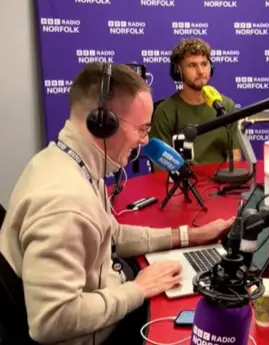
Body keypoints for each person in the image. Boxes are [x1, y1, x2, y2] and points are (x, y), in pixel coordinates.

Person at [0, 62, 234, 345]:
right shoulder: (64, 202)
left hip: (109, 301)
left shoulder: (70, 161)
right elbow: (50, 321)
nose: (144, 141)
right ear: (104, 124)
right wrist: (138, 289)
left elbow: (112, 234)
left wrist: (190, 236)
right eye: (142, 129)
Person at [150, 38, 240, 165]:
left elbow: (235, 154)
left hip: (221, 181)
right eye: (192, 65)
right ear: (178, 71)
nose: (200, 71)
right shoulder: (165, 111)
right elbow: (160, 163)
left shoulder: (226, 106)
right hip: (183, 182)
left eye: (204, 64)